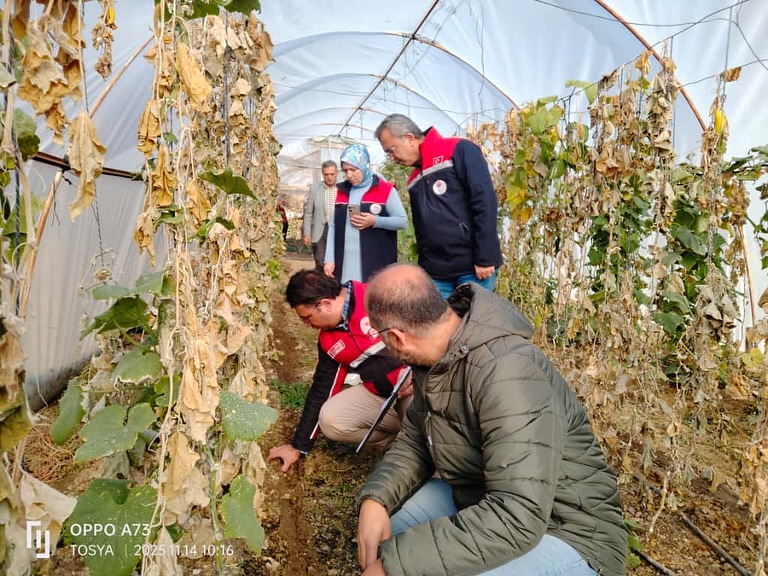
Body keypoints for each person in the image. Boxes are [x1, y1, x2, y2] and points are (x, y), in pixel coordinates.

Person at [355, 264, 627, 576]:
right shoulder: (436, 360)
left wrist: (394, 565)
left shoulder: (507, 372)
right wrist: (376, 499)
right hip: (485, 500)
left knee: (405, 559)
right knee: (390, 520)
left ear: (397, 338)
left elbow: (518, 513)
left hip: (567, 530)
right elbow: (416, 440)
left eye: (379, 337)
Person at [266, 269, 413, 473]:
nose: (307, 325)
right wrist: (298, 446)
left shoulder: (380, 297)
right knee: (332, 420)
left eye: (306, 318)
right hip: (383, 395)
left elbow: (434, 331)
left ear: (325, 304)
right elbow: (321, 390)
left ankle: (420, 457)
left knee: (417, 409)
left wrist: (419, 371)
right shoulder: (328, 341)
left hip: (418, 387)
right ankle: (394, 444)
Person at [374, 114, 504, 298]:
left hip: (472, 266)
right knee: (437, 324)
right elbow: (421, 229)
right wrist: (425, 270)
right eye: (388, 153)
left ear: (410, 138)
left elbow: (484, 202)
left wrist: (485, 256)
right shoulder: (414, 179)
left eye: (392, 150)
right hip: (437, 273)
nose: (392, 158)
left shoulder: (457, 150)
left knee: (471, 324)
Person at [323, 144, 406, 283]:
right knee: (348, 298)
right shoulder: (344, 191)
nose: (349, 175)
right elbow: (333, 226)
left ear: (364, 165)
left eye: (353, 169)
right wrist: (329, 258)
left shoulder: (385, 190)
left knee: (371, 299)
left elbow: (402, 221)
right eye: (345, 170)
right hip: (345, 264)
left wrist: (375, 221)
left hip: (376, 263)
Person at [303, 160, 338, 269]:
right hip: (320, 231)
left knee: (337, 263)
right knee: (320, 262)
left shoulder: (343, 188)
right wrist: (307, 233)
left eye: (332, 174)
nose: (329, 177)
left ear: (337, 173)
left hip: (338, 229)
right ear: (322, 174)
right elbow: (308, 213)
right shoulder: (315, 188)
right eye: (326, 174)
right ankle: (321, 284)